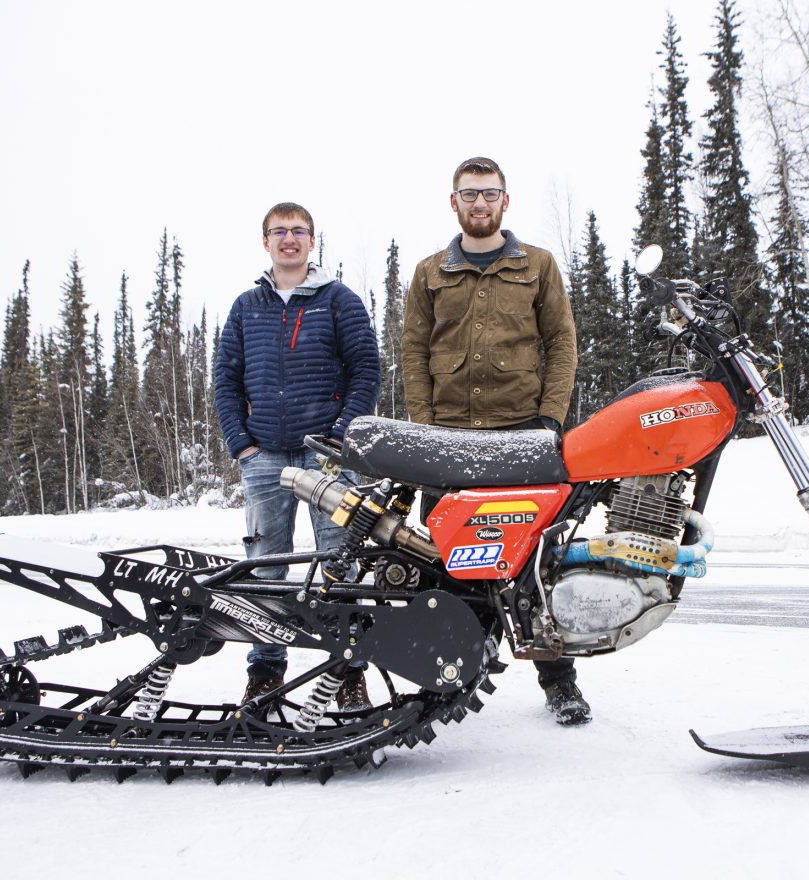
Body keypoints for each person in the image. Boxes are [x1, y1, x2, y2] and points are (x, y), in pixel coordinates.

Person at [401, 156, 590, 726]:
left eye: (489, 194)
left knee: (534, 565)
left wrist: (550, 421)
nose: (479, 203)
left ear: (505, 202)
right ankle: (444, 679)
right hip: (451, 440)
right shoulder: (430, 272)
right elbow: (413, 352)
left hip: (521, 436)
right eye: (469, 194)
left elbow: (562, 342)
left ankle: (559, 681)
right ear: (452, 202)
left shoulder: (537, 265)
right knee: (447, 562)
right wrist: (425, 428)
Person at [215, 201, 381, 710]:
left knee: (340, 565)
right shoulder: (247, 306)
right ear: (265, 241)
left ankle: (349, 671)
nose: (289, 239)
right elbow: (225, 379)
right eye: (279, 231)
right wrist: (240, 443)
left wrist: (339, 435)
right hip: (264, 457)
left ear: (313, 241)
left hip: (326, 457)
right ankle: (264, 671)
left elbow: (366, 372)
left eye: (299, 231)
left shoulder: (339, 301)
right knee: (266, 567)